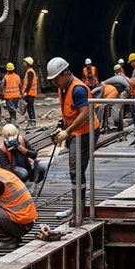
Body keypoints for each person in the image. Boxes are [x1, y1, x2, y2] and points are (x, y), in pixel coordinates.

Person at [47, 56, 100, 202]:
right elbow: (68, 111)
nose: (54, 82)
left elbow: (85, 113)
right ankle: (78, 207)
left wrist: (67, 131)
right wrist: (60, 126)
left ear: (65, 74)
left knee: (76, 170)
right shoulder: (63, 88)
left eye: (56, 79)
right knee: (75, 171)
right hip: (76, 132)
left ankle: (79, 208)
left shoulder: (78, 90)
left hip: (86, 132)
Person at [21, 57, 39, 127]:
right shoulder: (29, 71)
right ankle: (32, 121)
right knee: (29, 107)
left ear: (27, 63)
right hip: (30, 93)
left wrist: (26, 92)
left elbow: (29, 83)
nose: (23, 63)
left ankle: (33, 122)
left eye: (25, 62)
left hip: (30, 93)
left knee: (30, 108)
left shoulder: (30, 72)